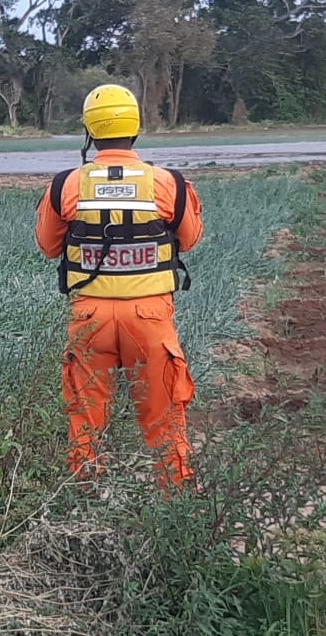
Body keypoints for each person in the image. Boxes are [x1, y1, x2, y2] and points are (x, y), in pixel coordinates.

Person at [35, 84, 204, 489]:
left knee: (85, 418)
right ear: (136, 127)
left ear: (90, 131)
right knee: (165, 417)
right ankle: (176, 502)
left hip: (89, 316)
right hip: (149, 317)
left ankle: (84, 499)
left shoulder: (67, 185)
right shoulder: (166, 183)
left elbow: (47, 246)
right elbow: (191, 238)